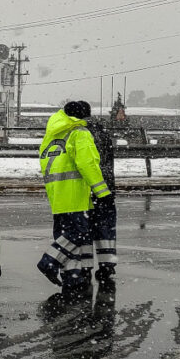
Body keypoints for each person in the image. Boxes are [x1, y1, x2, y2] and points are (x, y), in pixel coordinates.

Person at [36, 100, 112, 300]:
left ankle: (73, 278)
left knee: (66, 238)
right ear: (82, 116)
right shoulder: (79, 133)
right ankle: (49, 261)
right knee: (78, 233)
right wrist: (103, 193)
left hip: (57, 195)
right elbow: (88, 164)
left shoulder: (53, 134)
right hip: (75, 194)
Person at [85, 115, 117, 286]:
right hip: (107, 188)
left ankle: (85, 268)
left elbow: (88, 164)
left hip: (91, 190)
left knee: (85, 231)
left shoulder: (81, 133)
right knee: (106, 231)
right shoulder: (103, 132)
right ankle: (107, 266)